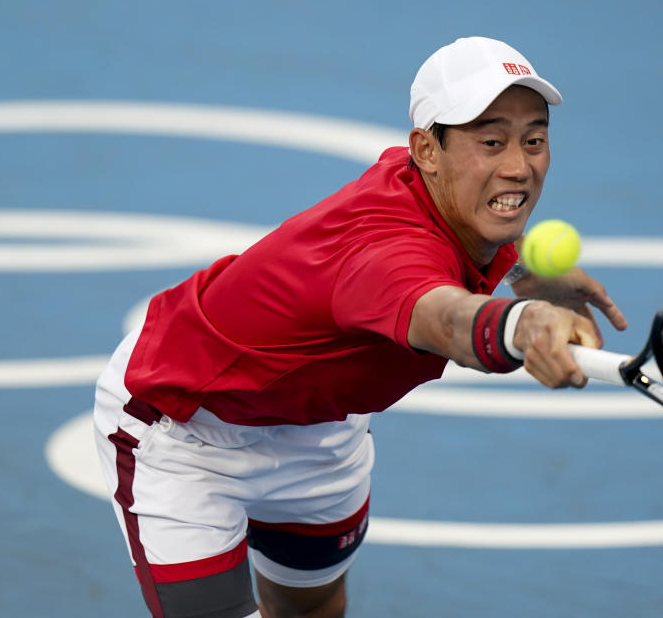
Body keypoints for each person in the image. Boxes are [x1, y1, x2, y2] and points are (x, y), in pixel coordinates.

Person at [93, 36, 627, 618]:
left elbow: (474, 234)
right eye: (491, 141)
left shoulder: (439, 191)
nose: (518, 166)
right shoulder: (383, 254)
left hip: (319, 430)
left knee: (314, 606)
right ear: (427, 149)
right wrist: (523, 323)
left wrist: (527, 272)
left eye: (534, 140)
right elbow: (444, 317)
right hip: (184, 424)